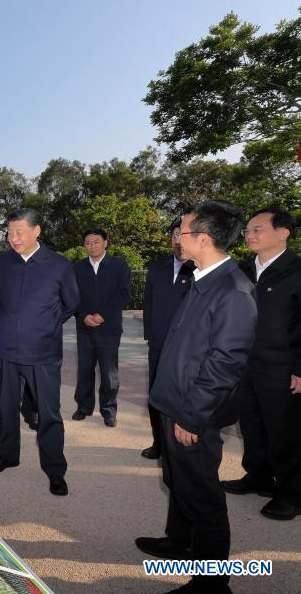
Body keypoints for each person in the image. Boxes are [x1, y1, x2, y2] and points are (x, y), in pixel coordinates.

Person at [136, 201, 257, 594]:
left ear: (203, 239)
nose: (178, 238)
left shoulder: (233, 291)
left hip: (192, 412)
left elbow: (224, 364)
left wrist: (191, 416)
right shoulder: (203, 278)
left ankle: (211, 584)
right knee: (177, 481)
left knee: (202, 496)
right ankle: (178, 542)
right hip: (174, 402)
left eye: (183, 231)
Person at [0, 208, 79, 497]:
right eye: (9, 232)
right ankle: (7, 456)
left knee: (49, 414)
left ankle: (55, 470)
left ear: (36, 231)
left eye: (19, 232)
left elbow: (71, 303)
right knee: (6, 409)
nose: (13, 238)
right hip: (6, 351)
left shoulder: (59, 265)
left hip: (43, 352)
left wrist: (45, 324)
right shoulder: (2, 263)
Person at [221, 208, 301, 521]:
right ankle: (258, 476)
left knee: (285, 431)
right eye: (248, 230)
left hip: (282, 367)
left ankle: (291, 492)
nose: (249, 235)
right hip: (244, 365)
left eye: (258, 229)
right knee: (251, 426)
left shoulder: (295, 271)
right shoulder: (242, 270)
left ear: (283, 232)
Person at [141, 218, 195, 459]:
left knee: (182, 396)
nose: (178, 240)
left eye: (183, 235)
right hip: (158, 343)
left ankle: (180, 446)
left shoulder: (200, 269)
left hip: (186, 347)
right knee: (156, 394)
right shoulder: (157, 267)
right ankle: (159, 443)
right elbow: (149, 303)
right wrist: (150, 335)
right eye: (175, 235)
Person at [72, 228, 131, 427]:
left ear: (106, 242)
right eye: (88, 243)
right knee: (84, 371)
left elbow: (124, 294)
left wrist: (102, 315)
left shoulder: (119, 265)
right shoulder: (77, 268)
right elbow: (72, 296)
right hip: (85, 328)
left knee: (108, 373)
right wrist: (83, 316)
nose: (92, 246)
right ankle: (83, 407)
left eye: (96, 242)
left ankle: (109, 410)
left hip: (109, 329)